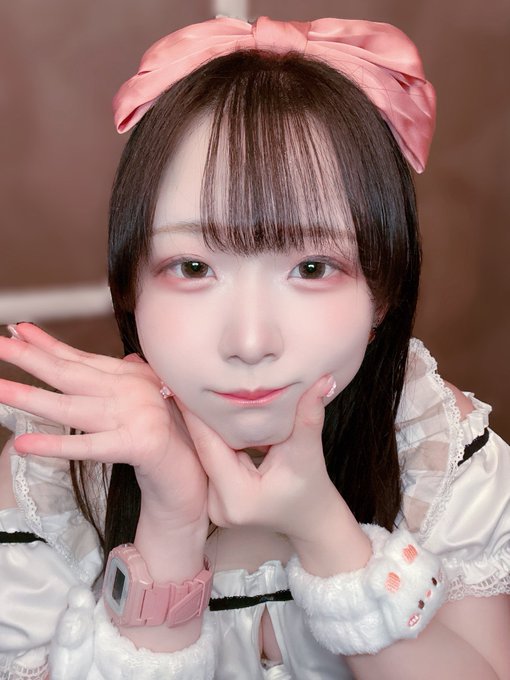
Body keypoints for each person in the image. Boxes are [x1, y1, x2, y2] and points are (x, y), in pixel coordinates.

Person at [0, 14, 509, 680]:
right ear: (129, 284)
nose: (249, 342)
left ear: (382, 291)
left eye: (312, 268)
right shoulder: (58, 475)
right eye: (192, 267)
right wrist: (170, 528)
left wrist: (324, 529)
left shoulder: (431, 447)